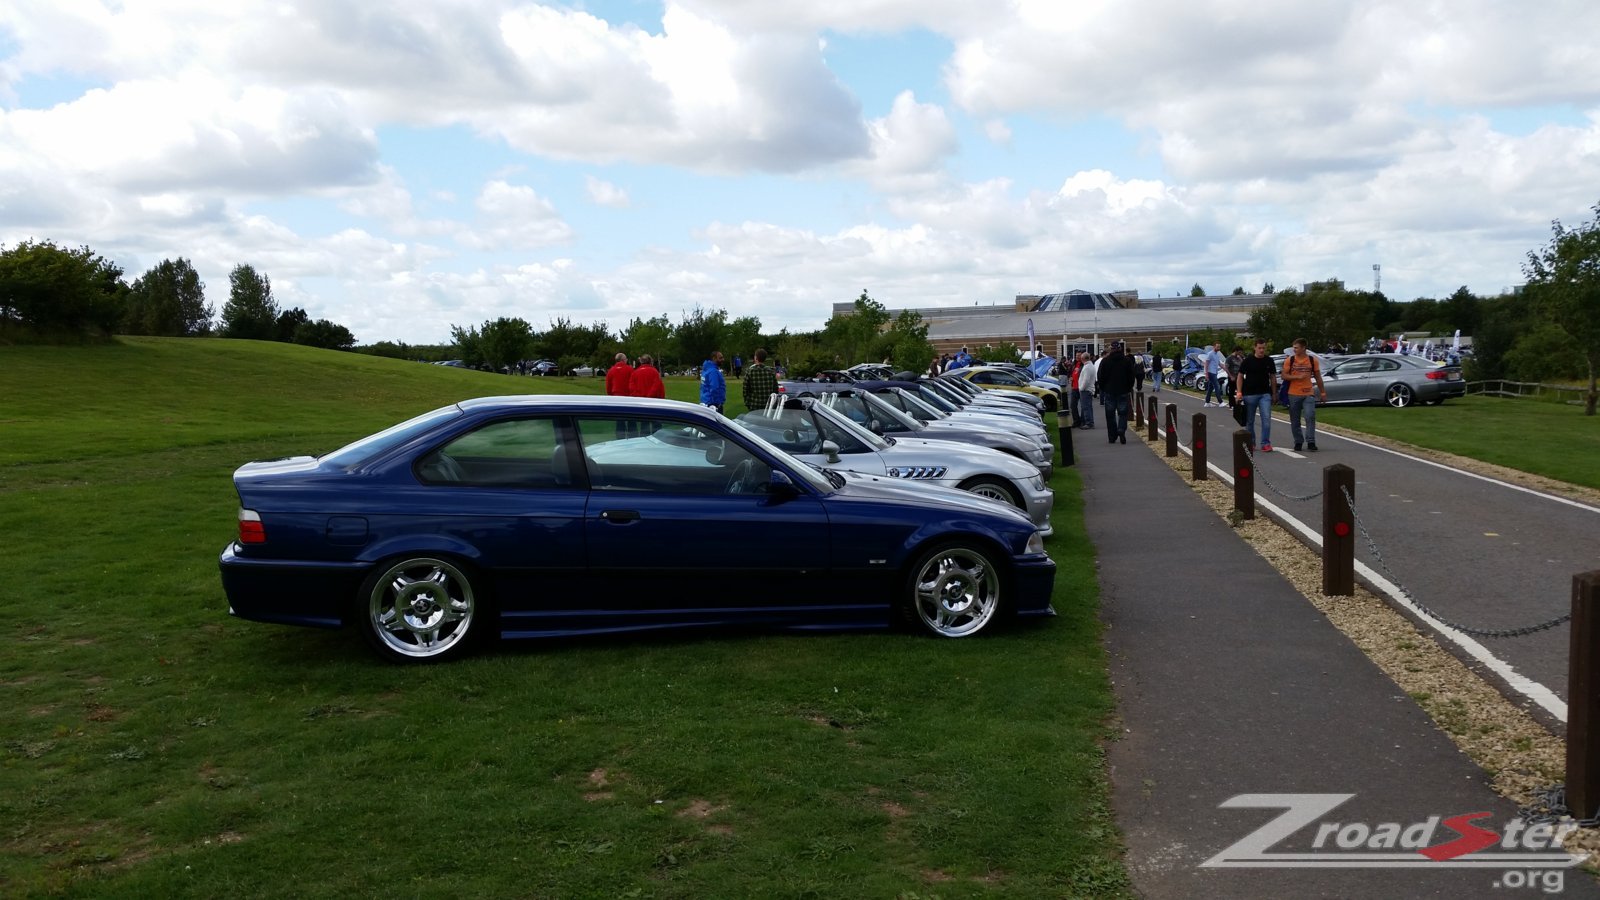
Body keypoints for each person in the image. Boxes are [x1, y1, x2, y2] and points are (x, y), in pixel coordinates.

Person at [1282, 338, 1327, 452]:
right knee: (1295, 419)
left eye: (1296, 347)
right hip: (1293, 393)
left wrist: (1322, 392)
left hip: (1308, 393)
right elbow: (1284, 375)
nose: (1294, 349)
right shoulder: (1290, 360)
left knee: (1310, 415)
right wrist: (1296, 377)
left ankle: (1311, 441)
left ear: (1303, 348)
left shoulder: (1312, 360)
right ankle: (1298, 441)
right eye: (1294, 347)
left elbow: (1318, 377)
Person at [1234, 339, 1277, 452]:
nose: (1262, 350)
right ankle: (1251, 442)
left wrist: (1274, 393)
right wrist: (1239, 392)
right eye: (1259, 348)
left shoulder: (1269, 361)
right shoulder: (1248, 361)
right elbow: (1240, 376)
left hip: (1265, 394)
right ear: (1255, 348)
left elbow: (1272, 377)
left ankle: (1265, 443)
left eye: (1263, 348)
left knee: (1266, 419)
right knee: (1250, 421)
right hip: (1249, 394)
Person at [1096, 341, 1135, 444]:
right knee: (1123, 413)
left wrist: (1103, 387)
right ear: (1120, 349)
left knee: (1110, 414)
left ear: (1111, 349)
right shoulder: (1126, 361)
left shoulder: (1105, 361)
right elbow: (1131, 376)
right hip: (1123, 389)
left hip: (1109, 390)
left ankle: (1112, 436)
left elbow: (1100, 376)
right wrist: (1128, 387)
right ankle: (1121, 429)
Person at [700, 350, 728, 414]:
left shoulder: (706, 369)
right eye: (720, 358)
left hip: (705, 402)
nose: (723, 359)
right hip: (713, 405)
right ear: (714, 358)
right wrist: (717, 404)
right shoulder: (713, 371)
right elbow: (714, 388)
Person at [1076, 352, 1098, 430]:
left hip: (1086, 390)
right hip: (1089, 389)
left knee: (1086, 407)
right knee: (1088, 407)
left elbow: (1086, 380)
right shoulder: (1090, 366)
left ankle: (1089, 423)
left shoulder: (1087, 367)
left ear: (1083, 359)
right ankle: (1090, 422)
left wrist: (1081, 388)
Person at [1203, 342, 1226, 407]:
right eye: (1217, 346)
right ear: (1214, 347)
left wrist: (1225, 369)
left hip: (1215, 372)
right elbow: (1206, 364)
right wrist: (1206, 373)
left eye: (1219, 347)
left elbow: (1219, 363)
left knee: (1210, 387)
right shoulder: (1210, 354)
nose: (1219, 348)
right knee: (1217, 386)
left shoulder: (1217, 355)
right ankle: (1220, 402)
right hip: (1211, 372)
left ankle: (1207, 402)